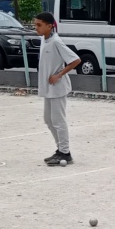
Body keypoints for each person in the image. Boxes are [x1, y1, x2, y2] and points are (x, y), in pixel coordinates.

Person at [33, 11, 81, 165]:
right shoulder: (44, 39)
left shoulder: (56, 41)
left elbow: (75, 60)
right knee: (48, 120)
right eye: (35, 24)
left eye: (39, 25)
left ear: (49, 26)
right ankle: (60, 149)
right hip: (48, 87)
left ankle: (65, 152)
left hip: (57, 87)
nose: (36, 27)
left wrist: (59, 75)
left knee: (58, 121)